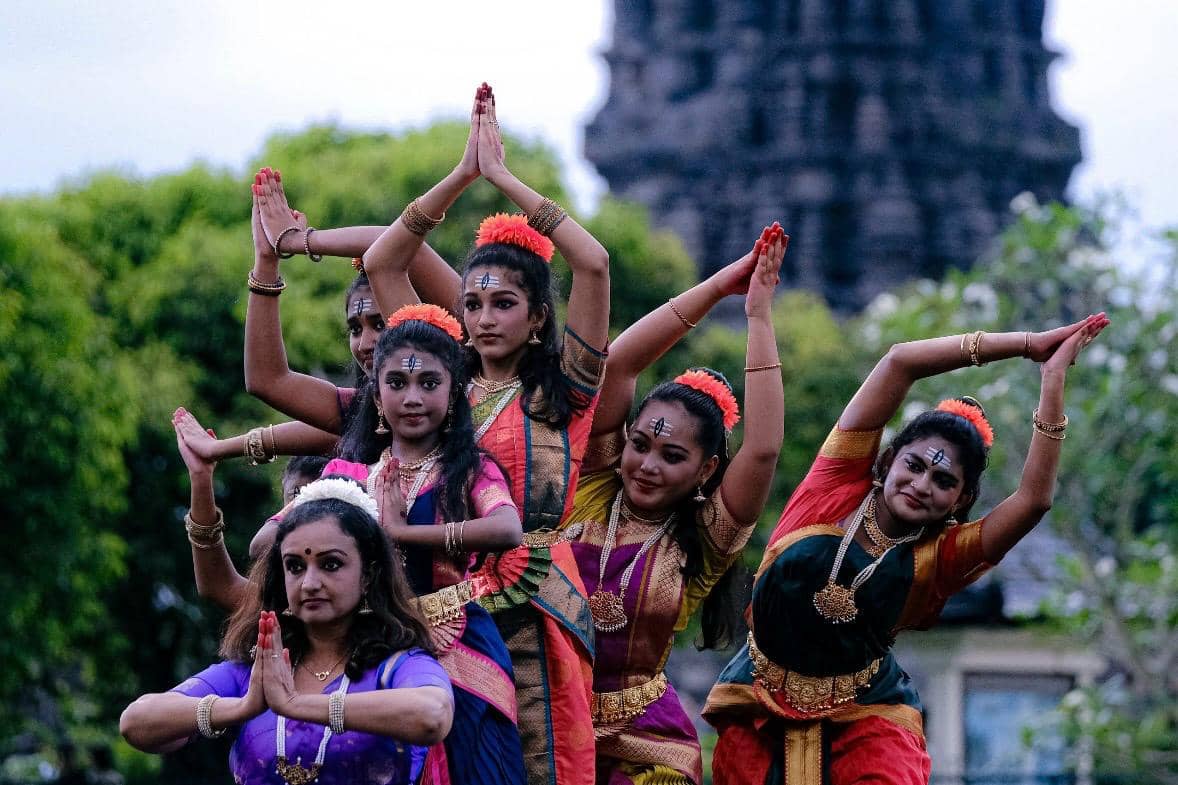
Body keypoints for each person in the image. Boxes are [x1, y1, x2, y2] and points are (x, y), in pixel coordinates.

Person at [702, 313, 1111, 785]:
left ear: (959, 501)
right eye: (914, 466)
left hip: (868, 716)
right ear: (888, 459)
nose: (921, 485)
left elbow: (1034, 500)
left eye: (943, 481)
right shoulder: (832, 484)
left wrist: (1053, 378)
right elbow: (899, 363)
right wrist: (1026, 343)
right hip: (759, 701)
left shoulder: (939, 559)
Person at [353, 83, 609, 785]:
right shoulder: (443, 386)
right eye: (473, 303)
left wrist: (502, 178)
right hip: (443, 599)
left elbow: (593, 263)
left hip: (539, 596)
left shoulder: (566, 392)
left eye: (504, 303)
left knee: (544, 758)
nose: (486, 317)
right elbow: (382, 263)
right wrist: (461, 175)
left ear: (536, 318)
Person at [566, 224, 786, 784]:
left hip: (647, 744)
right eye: (639, 445)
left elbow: (762, 449)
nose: (646, 465)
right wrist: (716, 287)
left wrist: (757, 317)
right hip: (545, 717)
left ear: (706, 471)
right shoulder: (592, 486)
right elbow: (618, 365)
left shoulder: (704, 538)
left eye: (671, 456)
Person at [275, 303, 527, 785]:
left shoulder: (469, 469)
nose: (412, 398)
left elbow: (506, 528)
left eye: (429, 384)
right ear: (376, 392)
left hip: (459, 642)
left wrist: (401, 534)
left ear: (454, 394)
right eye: (397, 384)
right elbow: (279, 533)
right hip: (372, 641)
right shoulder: (347, 474)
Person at [119, 478, 454, 785]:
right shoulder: (259, 674)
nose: (309, 583)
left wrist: (295, 704)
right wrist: (241, 708)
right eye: (294, 566)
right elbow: (136, 723)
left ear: (368, 575)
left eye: (331, 564)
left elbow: (433, 714)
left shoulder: (398, 666)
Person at [171, 406, 328, 608]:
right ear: (282, 496)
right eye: (298, 495)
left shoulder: (360, 580)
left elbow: (260, 544)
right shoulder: (287, 601)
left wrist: (218, 448)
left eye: (322, 495)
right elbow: (218, 585)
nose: (306, 509)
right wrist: (201, 477)